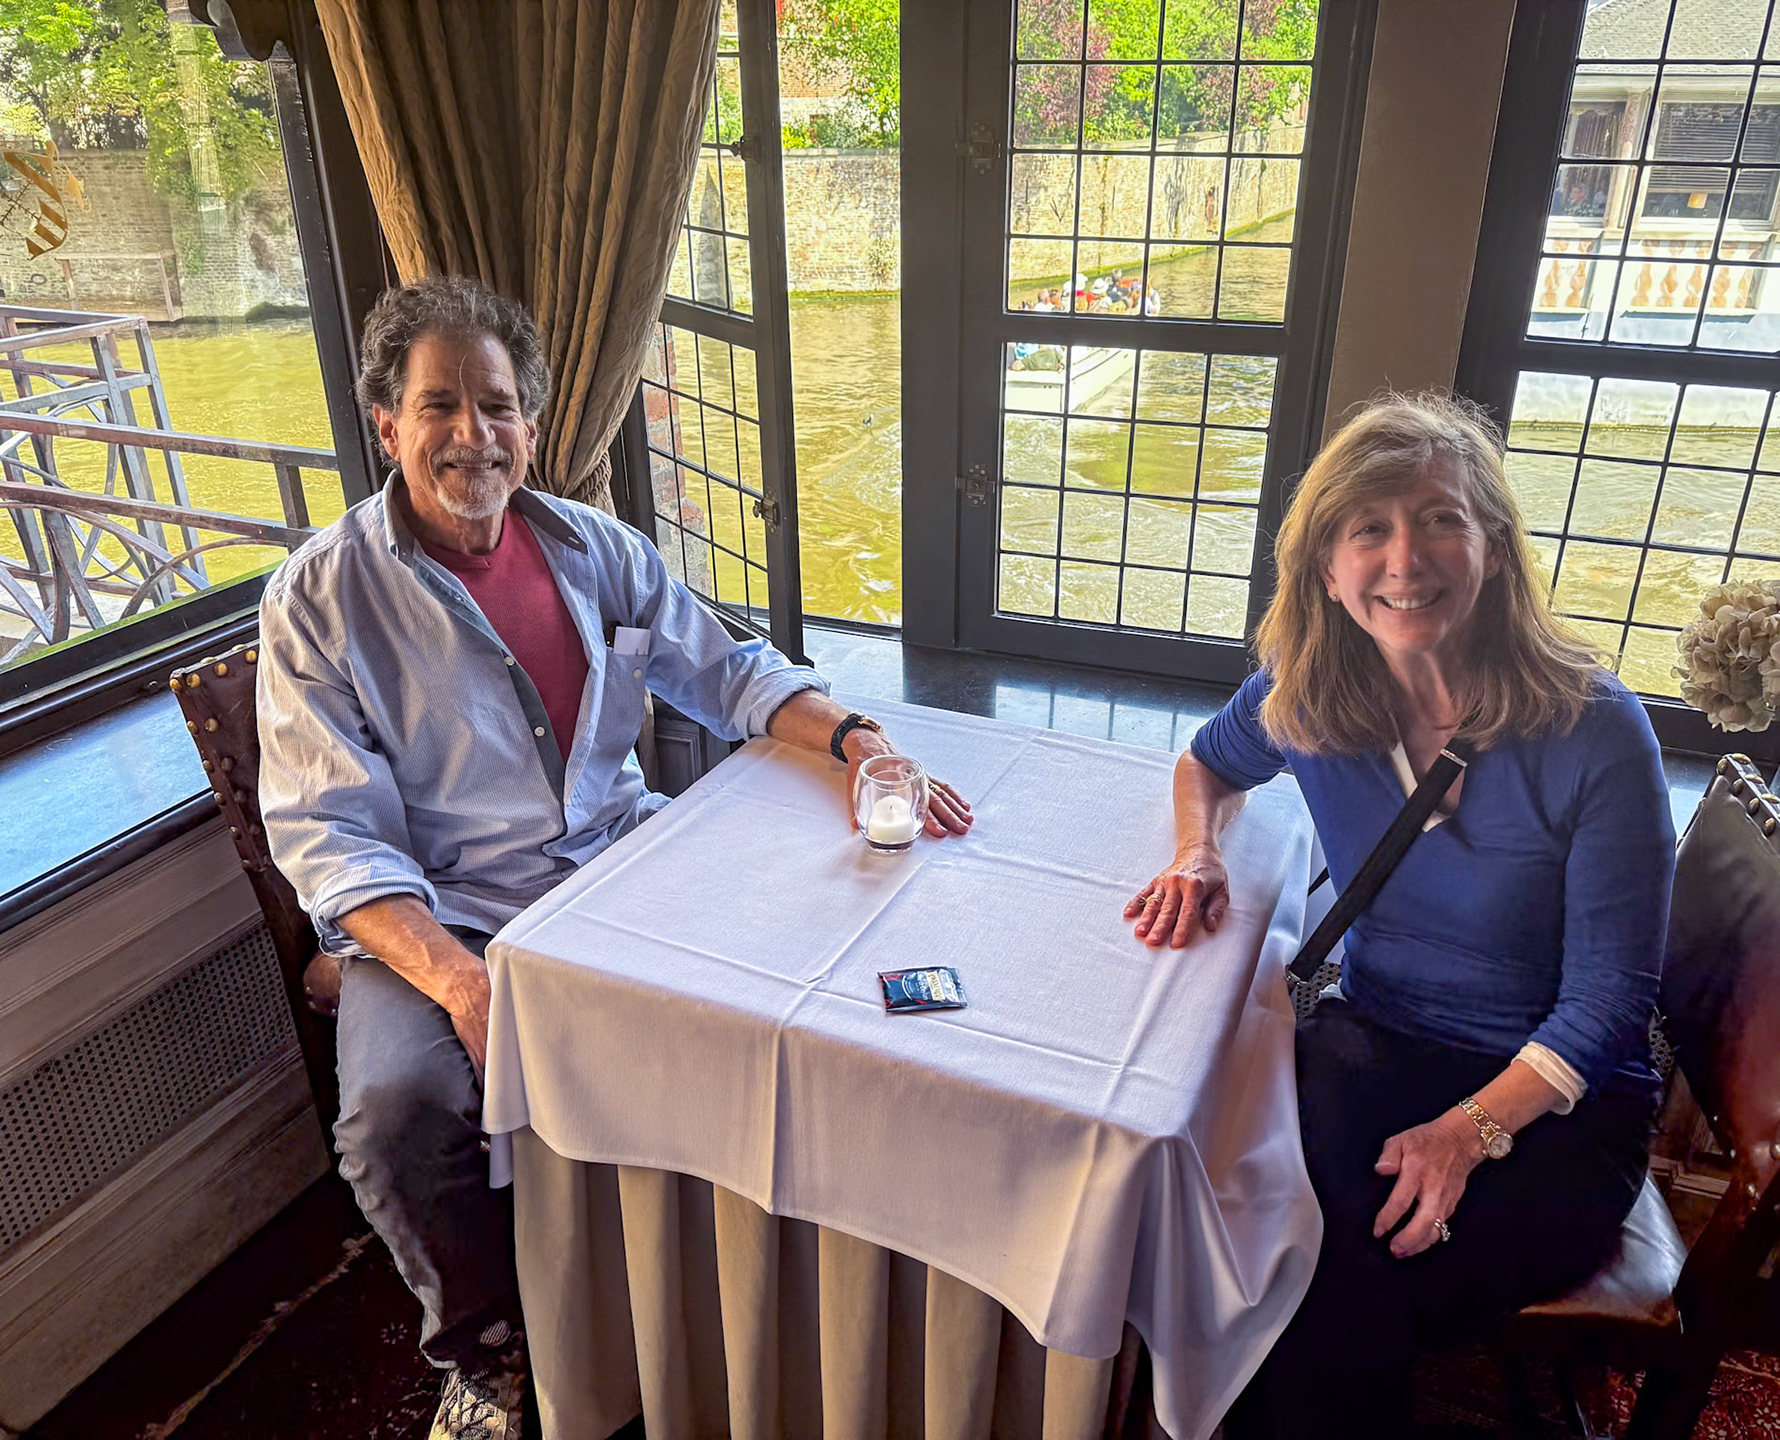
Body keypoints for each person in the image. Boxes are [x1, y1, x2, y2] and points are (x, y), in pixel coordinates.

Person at [256, 276, 971, 1440]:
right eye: (439, 405)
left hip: (618, 861)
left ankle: (715, 1288)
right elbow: (328, 837)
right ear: (386, 425)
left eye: (498, 406)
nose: (474, 434)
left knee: (796, 988)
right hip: (441, 912)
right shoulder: (320, 598)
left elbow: (729, 673)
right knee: (394, 1110)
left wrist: (857, 741)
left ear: (531, 427)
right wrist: (462, 984)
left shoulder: (597, 547)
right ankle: (487, 1348)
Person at [1124, 393, 1672, 1438]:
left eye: (1441, 520)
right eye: (1367, 528)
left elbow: (1608, 1007)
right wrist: (1198, 851)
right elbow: (1205, 763)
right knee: (1238, 1221)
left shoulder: (1595, 729)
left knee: (1333, 1278)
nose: (1405, 559)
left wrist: (1467, 1133)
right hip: (1376, 1040)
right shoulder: (1306, 690)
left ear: (1495, 549)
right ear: (1326, 570)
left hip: (1553, 1106)